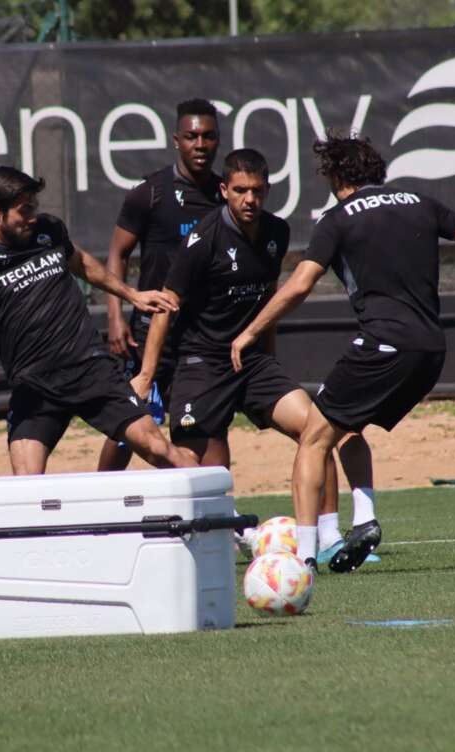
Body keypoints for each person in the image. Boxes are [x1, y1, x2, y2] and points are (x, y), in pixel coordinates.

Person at [230, 132, 455, 571]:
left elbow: (300, 284)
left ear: (336, 175)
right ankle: (365, 520)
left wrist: (250, 332)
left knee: (312, 440)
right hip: (431, 350)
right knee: (344, 427)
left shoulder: (337, 219)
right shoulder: (421, 203)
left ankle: (302, 558)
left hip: (384, 345)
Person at [132, 148, 342, 565]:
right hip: (200, 362)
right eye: (241, 190)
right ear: (224, 190)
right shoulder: (201, 241)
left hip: (252, 361)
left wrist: (269, 359)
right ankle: (221, 532)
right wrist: (146, 374)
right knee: (194, 464)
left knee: (317, 429)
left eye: (258, 191)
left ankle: (330, 536)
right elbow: (165, 307)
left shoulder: (276, 233)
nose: (250, 199)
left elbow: (268, 304)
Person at [0, 166, 193, 474]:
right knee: (26, 483)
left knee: (160, 450)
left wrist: (132, 295)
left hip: (89, 369)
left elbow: (81, 262)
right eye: (24, 210)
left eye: (34, 207)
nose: (32, 216)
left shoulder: (47, 230)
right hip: (34, 383)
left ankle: (219, 515)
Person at [98, 98, 224, 472]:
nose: (200, 145)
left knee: (201, 425)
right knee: (130, 425)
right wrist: (116, 318)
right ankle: (100, 500)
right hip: (150, 330)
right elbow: (117, 254)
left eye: (208, 137)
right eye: (191, 136)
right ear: (176, 140)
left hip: (200, 334)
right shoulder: (149, 193)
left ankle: (210, 510)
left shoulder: (224, 195)